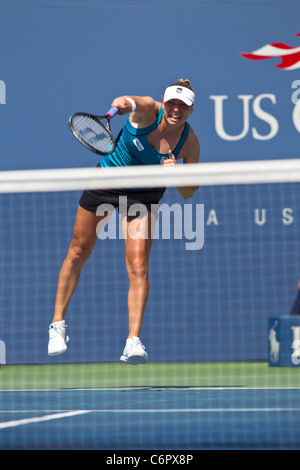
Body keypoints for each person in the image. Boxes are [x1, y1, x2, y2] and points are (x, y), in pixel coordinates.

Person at [48, 79, 200, 364]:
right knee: (78, 250)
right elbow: (130, 100)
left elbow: (189, 192)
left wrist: (177, 173)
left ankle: (133, 341)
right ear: (163, 103)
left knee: (139, 264)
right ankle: (57, 326)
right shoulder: (146, 111)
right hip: (108, 179)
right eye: (172, 103)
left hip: (144, 194)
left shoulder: (189, 143)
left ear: (191, 110)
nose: (176, 109)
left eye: (183, 105)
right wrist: (122, 103)